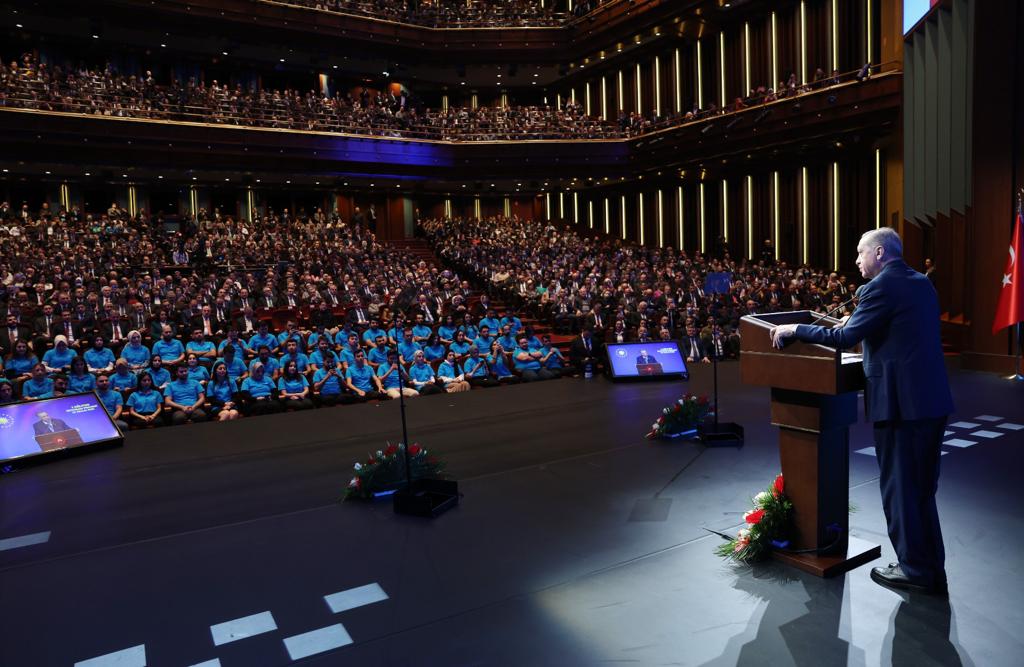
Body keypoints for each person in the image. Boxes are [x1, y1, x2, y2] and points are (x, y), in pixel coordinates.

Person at [770, 228, 953, 595]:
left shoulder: (879, 287)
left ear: (880, 252)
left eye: (860, 253)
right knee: (921, 490)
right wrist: (855, 324)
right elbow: (897, 330)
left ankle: (915, 571)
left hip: (901, 407)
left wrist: (795, 328)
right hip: (931, 402)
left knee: (901, 490)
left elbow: (843, 338)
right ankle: (929, 567)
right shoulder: (921, 282)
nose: (856, 261)